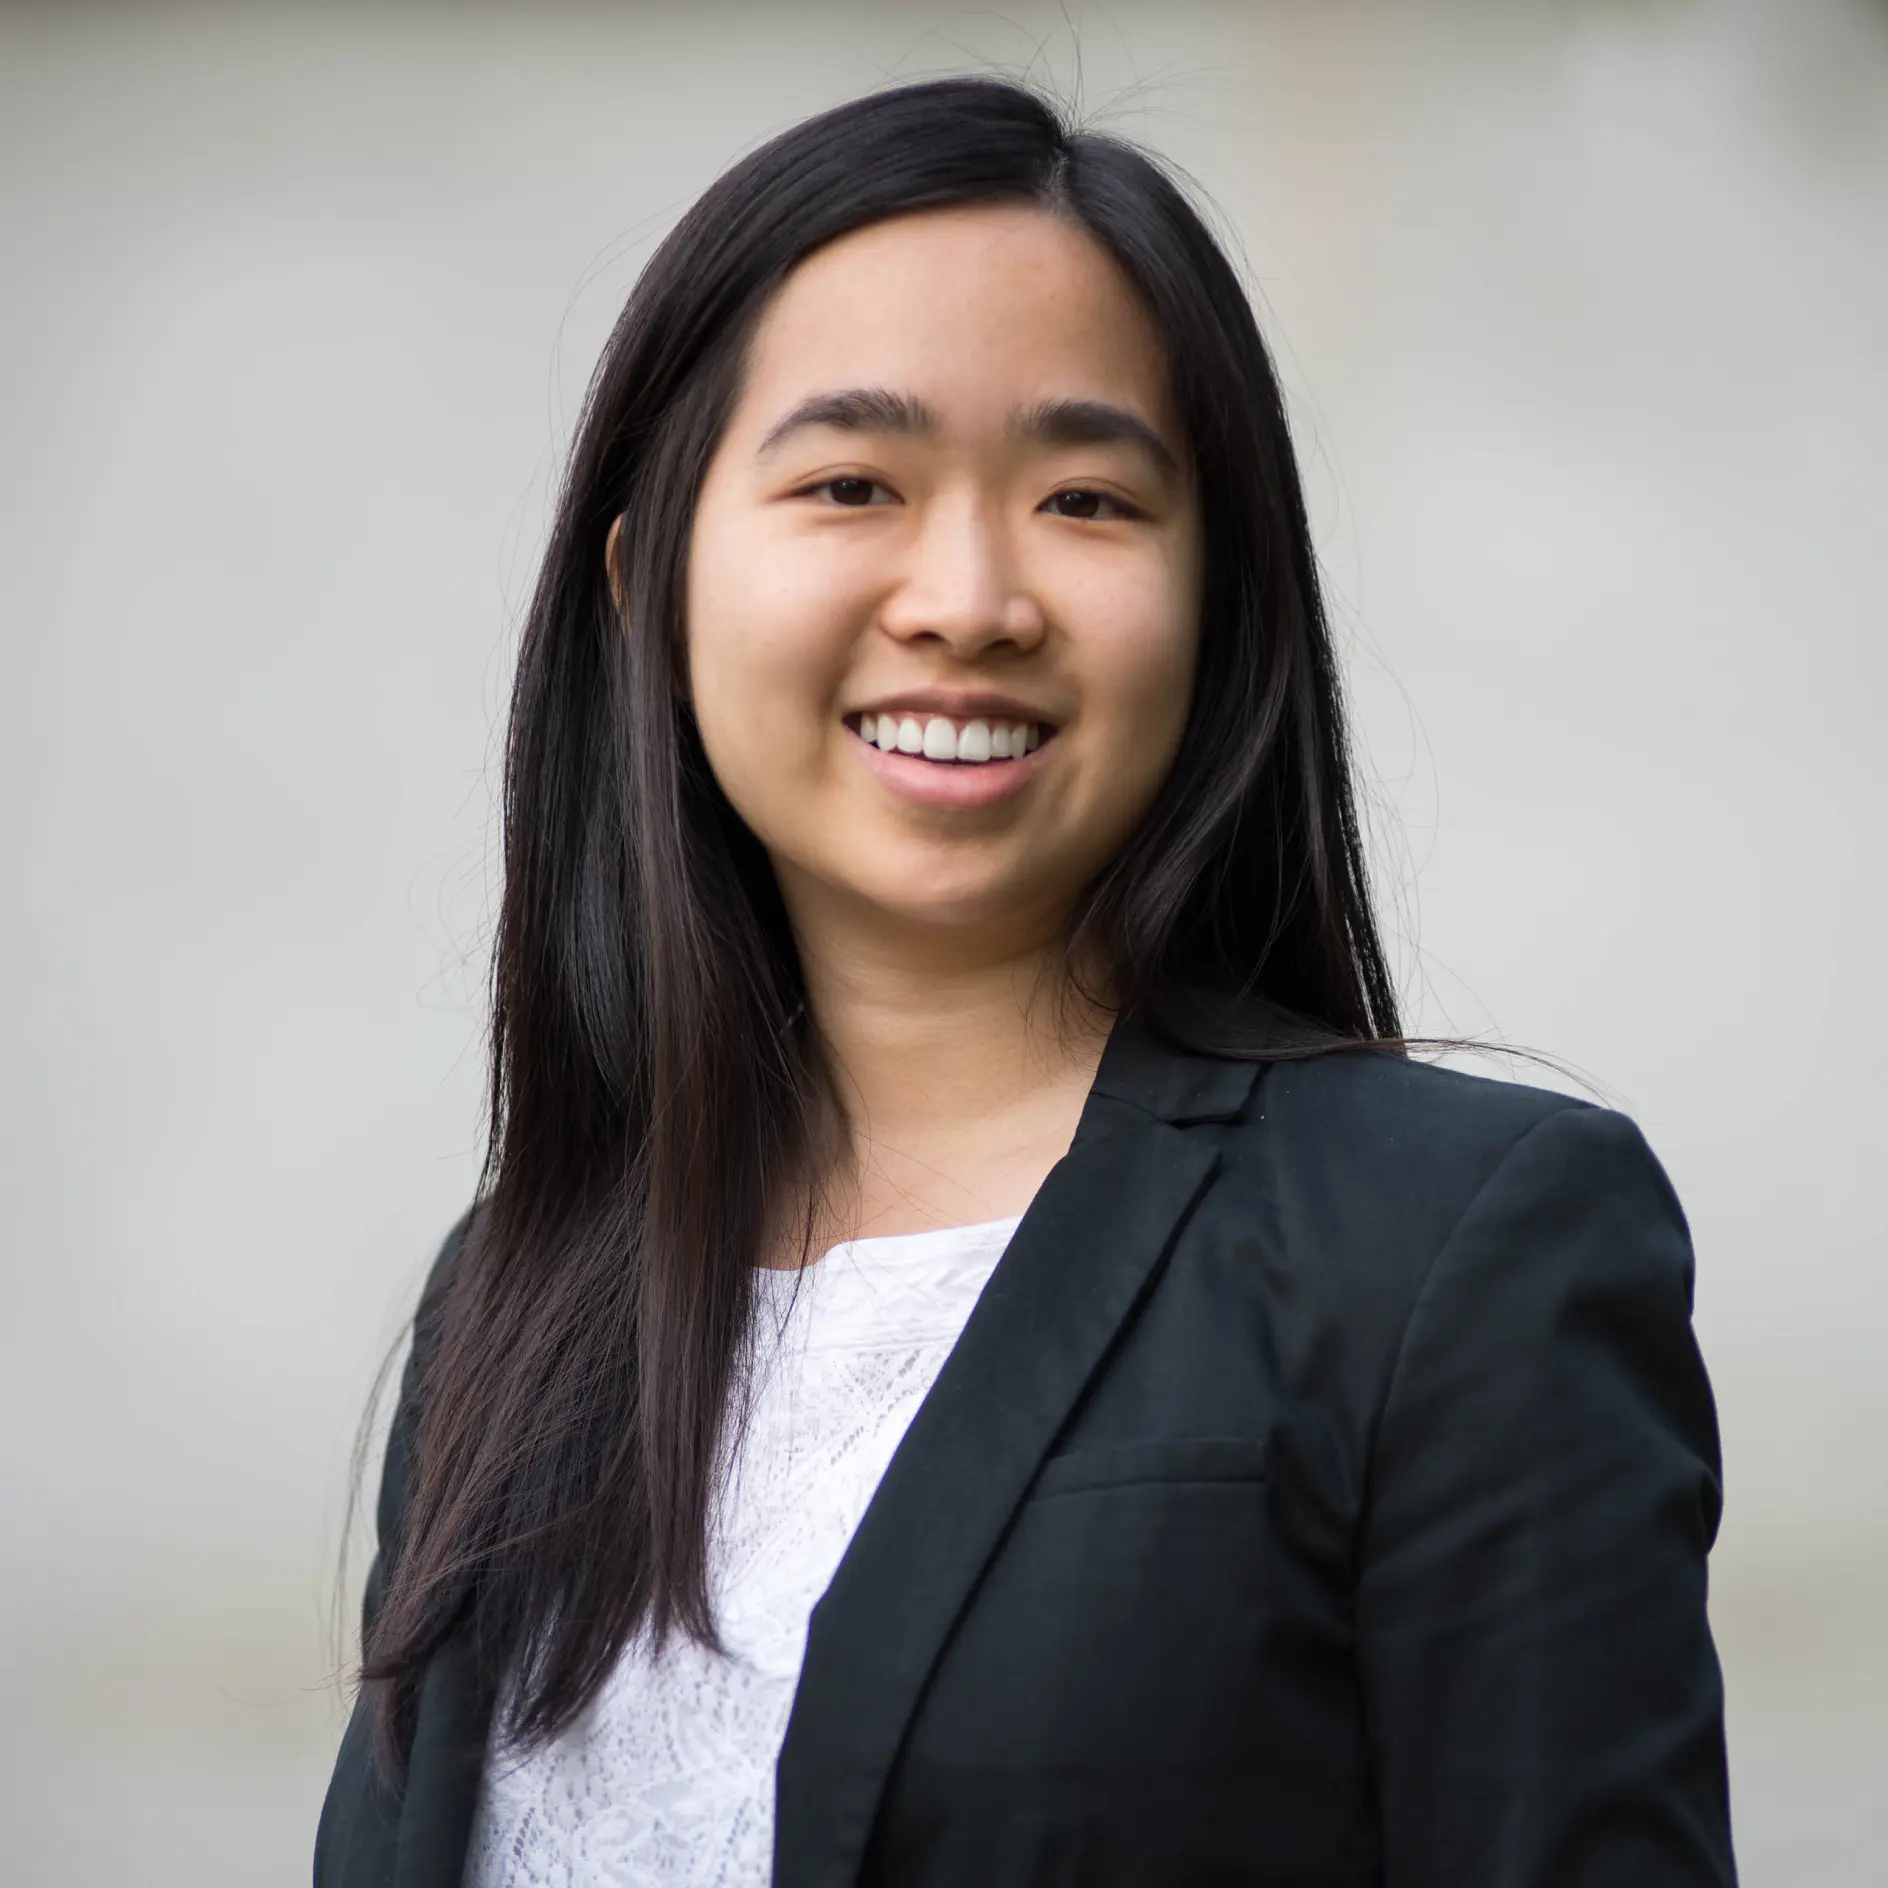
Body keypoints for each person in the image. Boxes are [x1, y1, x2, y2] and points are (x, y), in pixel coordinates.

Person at [314, 76, 1735, 1888]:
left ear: (1221, 597)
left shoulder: (1454, 1248)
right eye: (852, 484)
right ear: (642, 583)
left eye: (1085, 495)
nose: (971, 597)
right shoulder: (525, 1289)